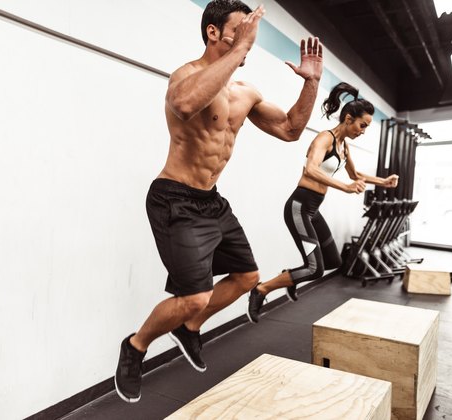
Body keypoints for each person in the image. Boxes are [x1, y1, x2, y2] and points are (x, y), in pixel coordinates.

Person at [114, 0, 323, 403]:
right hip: (174, 197)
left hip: (211, 201)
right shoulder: (186, 77)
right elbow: (186, 105)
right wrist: (242, 48)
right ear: (213, 33)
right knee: (193, 296)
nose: (247, 40)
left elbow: (292, 129)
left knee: (247, 278)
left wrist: (310, 82)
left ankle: (189, 329)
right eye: (238, 32)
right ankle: (136, 346)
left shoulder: (245, 92)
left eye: (249, 34)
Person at [246, 82, 399, 323]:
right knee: (314, 268)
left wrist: (383, 182)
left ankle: (291, 277)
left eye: (366, 127)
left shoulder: (343, 146)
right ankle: (261, 290)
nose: (363, 131)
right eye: (362, 125)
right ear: (348, 119)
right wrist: (345, 188)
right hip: (298, 207)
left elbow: (355, 175)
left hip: (312, 210)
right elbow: (310, 169)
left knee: (333, 261)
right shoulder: (324, 139)